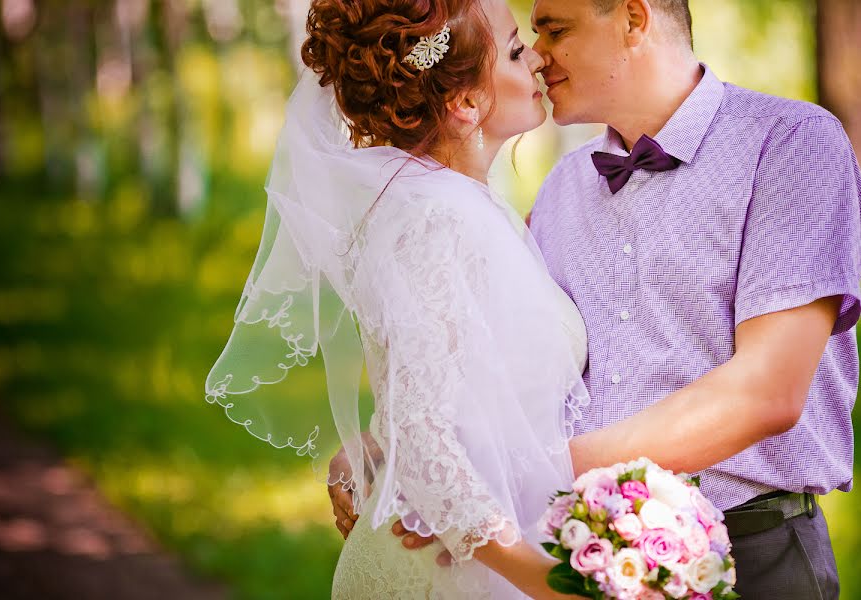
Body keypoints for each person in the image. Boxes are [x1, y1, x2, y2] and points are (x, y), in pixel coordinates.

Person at [330, 1, 860, 597]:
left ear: (633, 18)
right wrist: (394, 444)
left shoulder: (789, 142)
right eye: (529, 36)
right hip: (588, 553)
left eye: (555, 29)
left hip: (754, 552)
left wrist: (509, 476)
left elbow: (766, 392)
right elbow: (491, 352)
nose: (539, 53)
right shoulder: (560, 189)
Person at [206, 0, 595, 597]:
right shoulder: (437, 218)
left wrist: (373, 441)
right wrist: (554, 584)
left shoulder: (453, 206)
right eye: (517, 50)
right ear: (465, 103)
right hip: (451, 571)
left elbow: (444, 389)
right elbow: (424, 434)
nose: (539, 57)